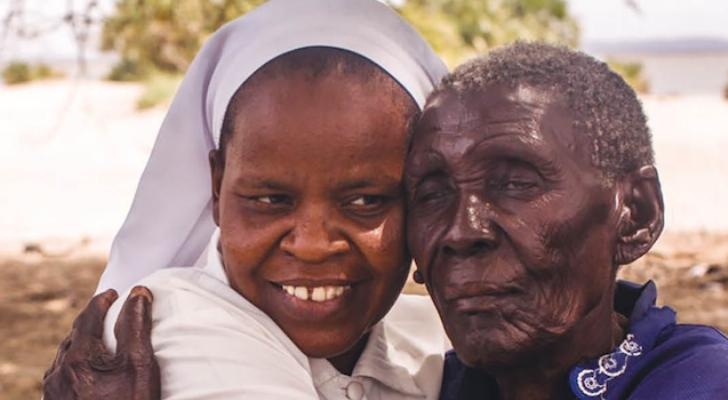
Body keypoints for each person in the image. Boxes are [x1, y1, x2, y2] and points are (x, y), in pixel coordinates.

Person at [45, 0, 451, 399]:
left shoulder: (432, 339)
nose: (311, 246)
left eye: (365, 201)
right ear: (217, 186)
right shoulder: (173, 332)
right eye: (272, 199)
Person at [404, 42, 728, 399]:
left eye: (516, 184)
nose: (462, 231)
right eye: (432, 195)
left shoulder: (701, 373)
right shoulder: (421, 383)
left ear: (637, 215)